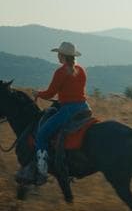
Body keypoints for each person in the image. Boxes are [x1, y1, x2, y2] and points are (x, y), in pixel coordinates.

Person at [19, 42, 91, 185]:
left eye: (59, 54)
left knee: (42, 134)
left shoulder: (60, 72)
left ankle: (42, 169)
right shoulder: (81, 70)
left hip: (69, 110)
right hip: (84, 108)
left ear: (62, 56)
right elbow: (75, 92)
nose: (57, 56)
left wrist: (37, 93)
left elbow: (50, 93)